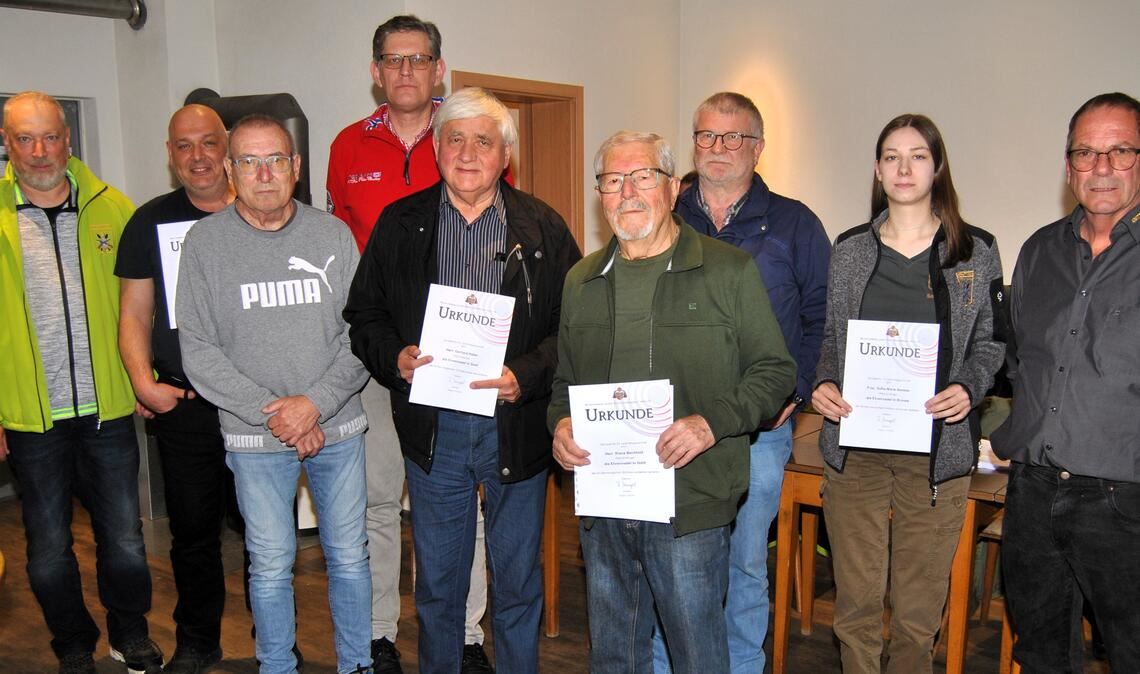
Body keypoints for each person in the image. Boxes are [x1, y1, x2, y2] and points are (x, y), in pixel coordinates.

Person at [344, 87, 580, 674]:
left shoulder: (544, 227)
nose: (468, 153)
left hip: (516, 428)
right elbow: (364, 315)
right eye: (455, 139)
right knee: (439, 588)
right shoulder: (400, 224)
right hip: (435, 431)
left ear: (506, 155)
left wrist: (526, 373)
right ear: (437, 150)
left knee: (518, 584)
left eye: (483, 141)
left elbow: (574, 328)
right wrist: (394, 358)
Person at [549, 130, 796, 673]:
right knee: (614, 655)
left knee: (696, 656)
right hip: (606, 502)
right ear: (600, 194)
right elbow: (564, 382)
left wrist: (711, 423)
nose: (627, 192)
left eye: (642, 177)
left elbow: (776, 371)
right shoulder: (581, 281)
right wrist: (561, 426)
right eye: (613, 181)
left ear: (670, 187)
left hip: (691, 500)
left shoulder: (728, 270)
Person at [327, 15, 493, 672]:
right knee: (377, 499)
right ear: (376, 71)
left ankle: (466, 634)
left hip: (455, 357)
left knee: (458, 499)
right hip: (381, 358)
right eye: (393, 60)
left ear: (438, 68)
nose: (405, 71)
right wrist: (376, 341)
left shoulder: (464, 137)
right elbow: (341, 254)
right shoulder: (347, 147)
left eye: (418, 59)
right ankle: (378, 633)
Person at [176, 114, 371, 674]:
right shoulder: (205, 244)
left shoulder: (332, 235)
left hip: (337, 428)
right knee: (269, 563)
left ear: (296, 167)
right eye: (250, 162)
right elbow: (199, 350)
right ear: (230, 170)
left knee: (349, 558)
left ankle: (357, 664)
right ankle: (276, 667)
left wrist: (313, 405)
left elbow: (362, 334)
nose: (264, 174)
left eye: (276, 160)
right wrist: (278, 414)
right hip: (254, 437)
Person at [811, 114, 1005, 674]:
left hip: (937, 454)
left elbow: (992, 343)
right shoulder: (849, 249)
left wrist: (968, 387)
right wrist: (823, 383)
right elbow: (832, 340)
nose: (904, 167)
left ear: (937, 167)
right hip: (857, 453)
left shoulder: (976, 250)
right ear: (877, 169)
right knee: (855, 610)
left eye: (918, 155)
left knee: (918, 617)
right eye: (892, 156)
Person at [655, 91, 830, 673]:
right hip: (673, 427)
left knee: (745, 564)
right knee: (667, 562)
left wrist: (795, 391)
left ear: (758, 148)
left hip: (759, 430)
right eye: (706, 135)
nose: (718, 147)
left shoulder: (796, 224)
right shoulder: (664, 215)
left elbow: (821, 317)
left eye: (733, 137)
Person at [0, 91, 164, 674]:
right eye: (25, 138)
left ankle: (130, 633)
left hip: (108, 410)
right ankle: (72, 641)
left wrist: (144, 378)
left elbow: (143, 306)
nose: (39, 151)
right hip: (30, 416)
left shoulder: (113, 209)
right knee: (47, 549)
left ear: (68, 140)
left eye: (50, 137)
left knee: (124, 539)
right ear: (7, 144)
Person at [992, 91, 1140, 673]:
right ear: (1068, 164)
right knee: (1040, 654)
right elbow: (1018, 360)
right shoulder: (1038, 251)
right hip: (1032, 491)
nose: (1101, 167)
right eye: (1085, 152)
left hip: (1124, 500)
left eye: (1120, 151)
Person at [115, 104, 239, 674]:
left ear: (226, 146)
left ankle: (277, 639)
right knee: (191, 533)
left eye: (208, 142)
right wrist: (144, 382)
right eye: (184, 146)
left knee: (266, 534)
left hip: (258, 405)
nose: (198, 156)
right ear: (170, 154)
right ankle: (197, 640)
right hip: (185, 405)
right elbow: (134, 312)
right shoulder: (149, 221)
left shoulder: (263, 209)